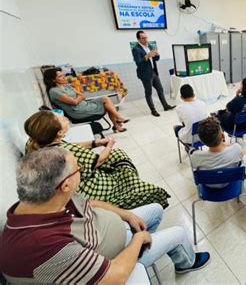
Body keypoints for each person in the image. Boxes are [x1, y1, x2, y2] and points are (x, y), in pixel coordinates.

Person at [0, 148, 210, 283]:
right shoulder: (43, 246)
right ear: (65, 184)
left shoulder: (40, 200)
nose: (81, 171)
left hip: (109, 233)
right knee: (179, 233)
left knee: (154, 208)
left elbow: (90, 203)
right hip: (114, 261)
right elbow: (116, 276)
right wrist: (137, 240)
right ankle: (185, 263)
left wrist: (126, 215)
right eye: (78, 169)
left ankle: (148, 246)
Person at [24, 111, 171, 209]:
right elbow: (99, 160)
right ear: (60, 132)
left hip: (73, 184)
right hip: (89, 190)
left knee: (118, 156)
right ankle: (134, 191)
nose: (66, 119)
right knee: (120, 160)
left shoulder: (35, 143)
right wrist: (109, 144)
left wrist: (96, 143)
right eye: (62, 119)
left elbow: (70, 145)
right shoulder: (64, 153)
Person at [43, 67, 129, 133]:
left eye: (63, 75)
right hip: (78, 112)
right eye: (60, 76)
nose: (63, 77)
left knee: (106, 100)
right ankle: (118, 121)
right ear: (53, 79)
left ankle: (117, 122)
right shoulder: (54, 91)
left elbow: (82, 95)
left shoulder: (65, 86)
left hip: (84, 104)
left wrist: (77, 98)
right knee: (107, 105)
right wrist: (77, 98)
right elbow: (74, 102)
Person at [132, 30, 175, 117]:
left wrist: (157, 55)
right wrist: (146, 56)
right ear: (138, 39)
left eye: (146, 37)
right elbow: (138, 63)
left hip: (153, 72)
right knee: (149, 93)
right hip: (145, 74)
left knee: (160, 89)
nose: (145, 39)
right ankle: (153, 110)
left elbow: (156, 59)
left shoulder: (150, 46)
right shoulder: (136, 49)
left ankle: (165, 106)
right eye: (143, 38)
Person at [190, 117, 242, 188]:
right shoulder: (236, 148)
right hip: (229, 182)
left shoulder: (196, 156)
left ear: (202, 141)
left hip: (208, 185)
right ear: (223, 136)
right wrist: (227, 144)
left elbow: (195, 168)